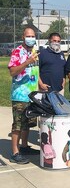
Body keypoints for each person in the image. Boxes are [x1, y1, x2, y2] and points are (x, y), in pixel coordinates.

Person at [8, 27, 40, 164]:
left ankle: (25, 146)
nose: (31, 38)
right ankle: (15, 152)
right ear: (23, 37)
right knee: (18, 125)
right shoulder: (17, 52)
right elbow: (12, 72)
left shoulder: (33, 51)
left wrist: (41, 83)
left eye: (33, 36)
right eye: (29, 36)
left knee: (27, 123)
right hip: (20, 95)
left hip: (32, 94)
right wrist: (27, 62)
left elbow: (34, 71)